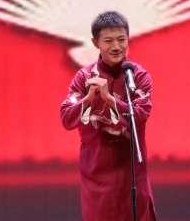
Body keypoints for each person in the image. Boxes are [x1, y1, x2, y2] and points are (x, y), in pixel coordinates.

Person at [60, 11, 157, 221]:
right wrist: (88, 99)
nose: (116, 46)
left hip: (131, 174)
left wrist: (110, 99)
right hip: (96, 177)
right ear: (95, 43)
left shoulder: (138, 76)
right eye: (108, 41)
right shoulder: (84, 77)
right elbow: (66, 118)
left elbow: (141, 114)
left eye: (122, 40)